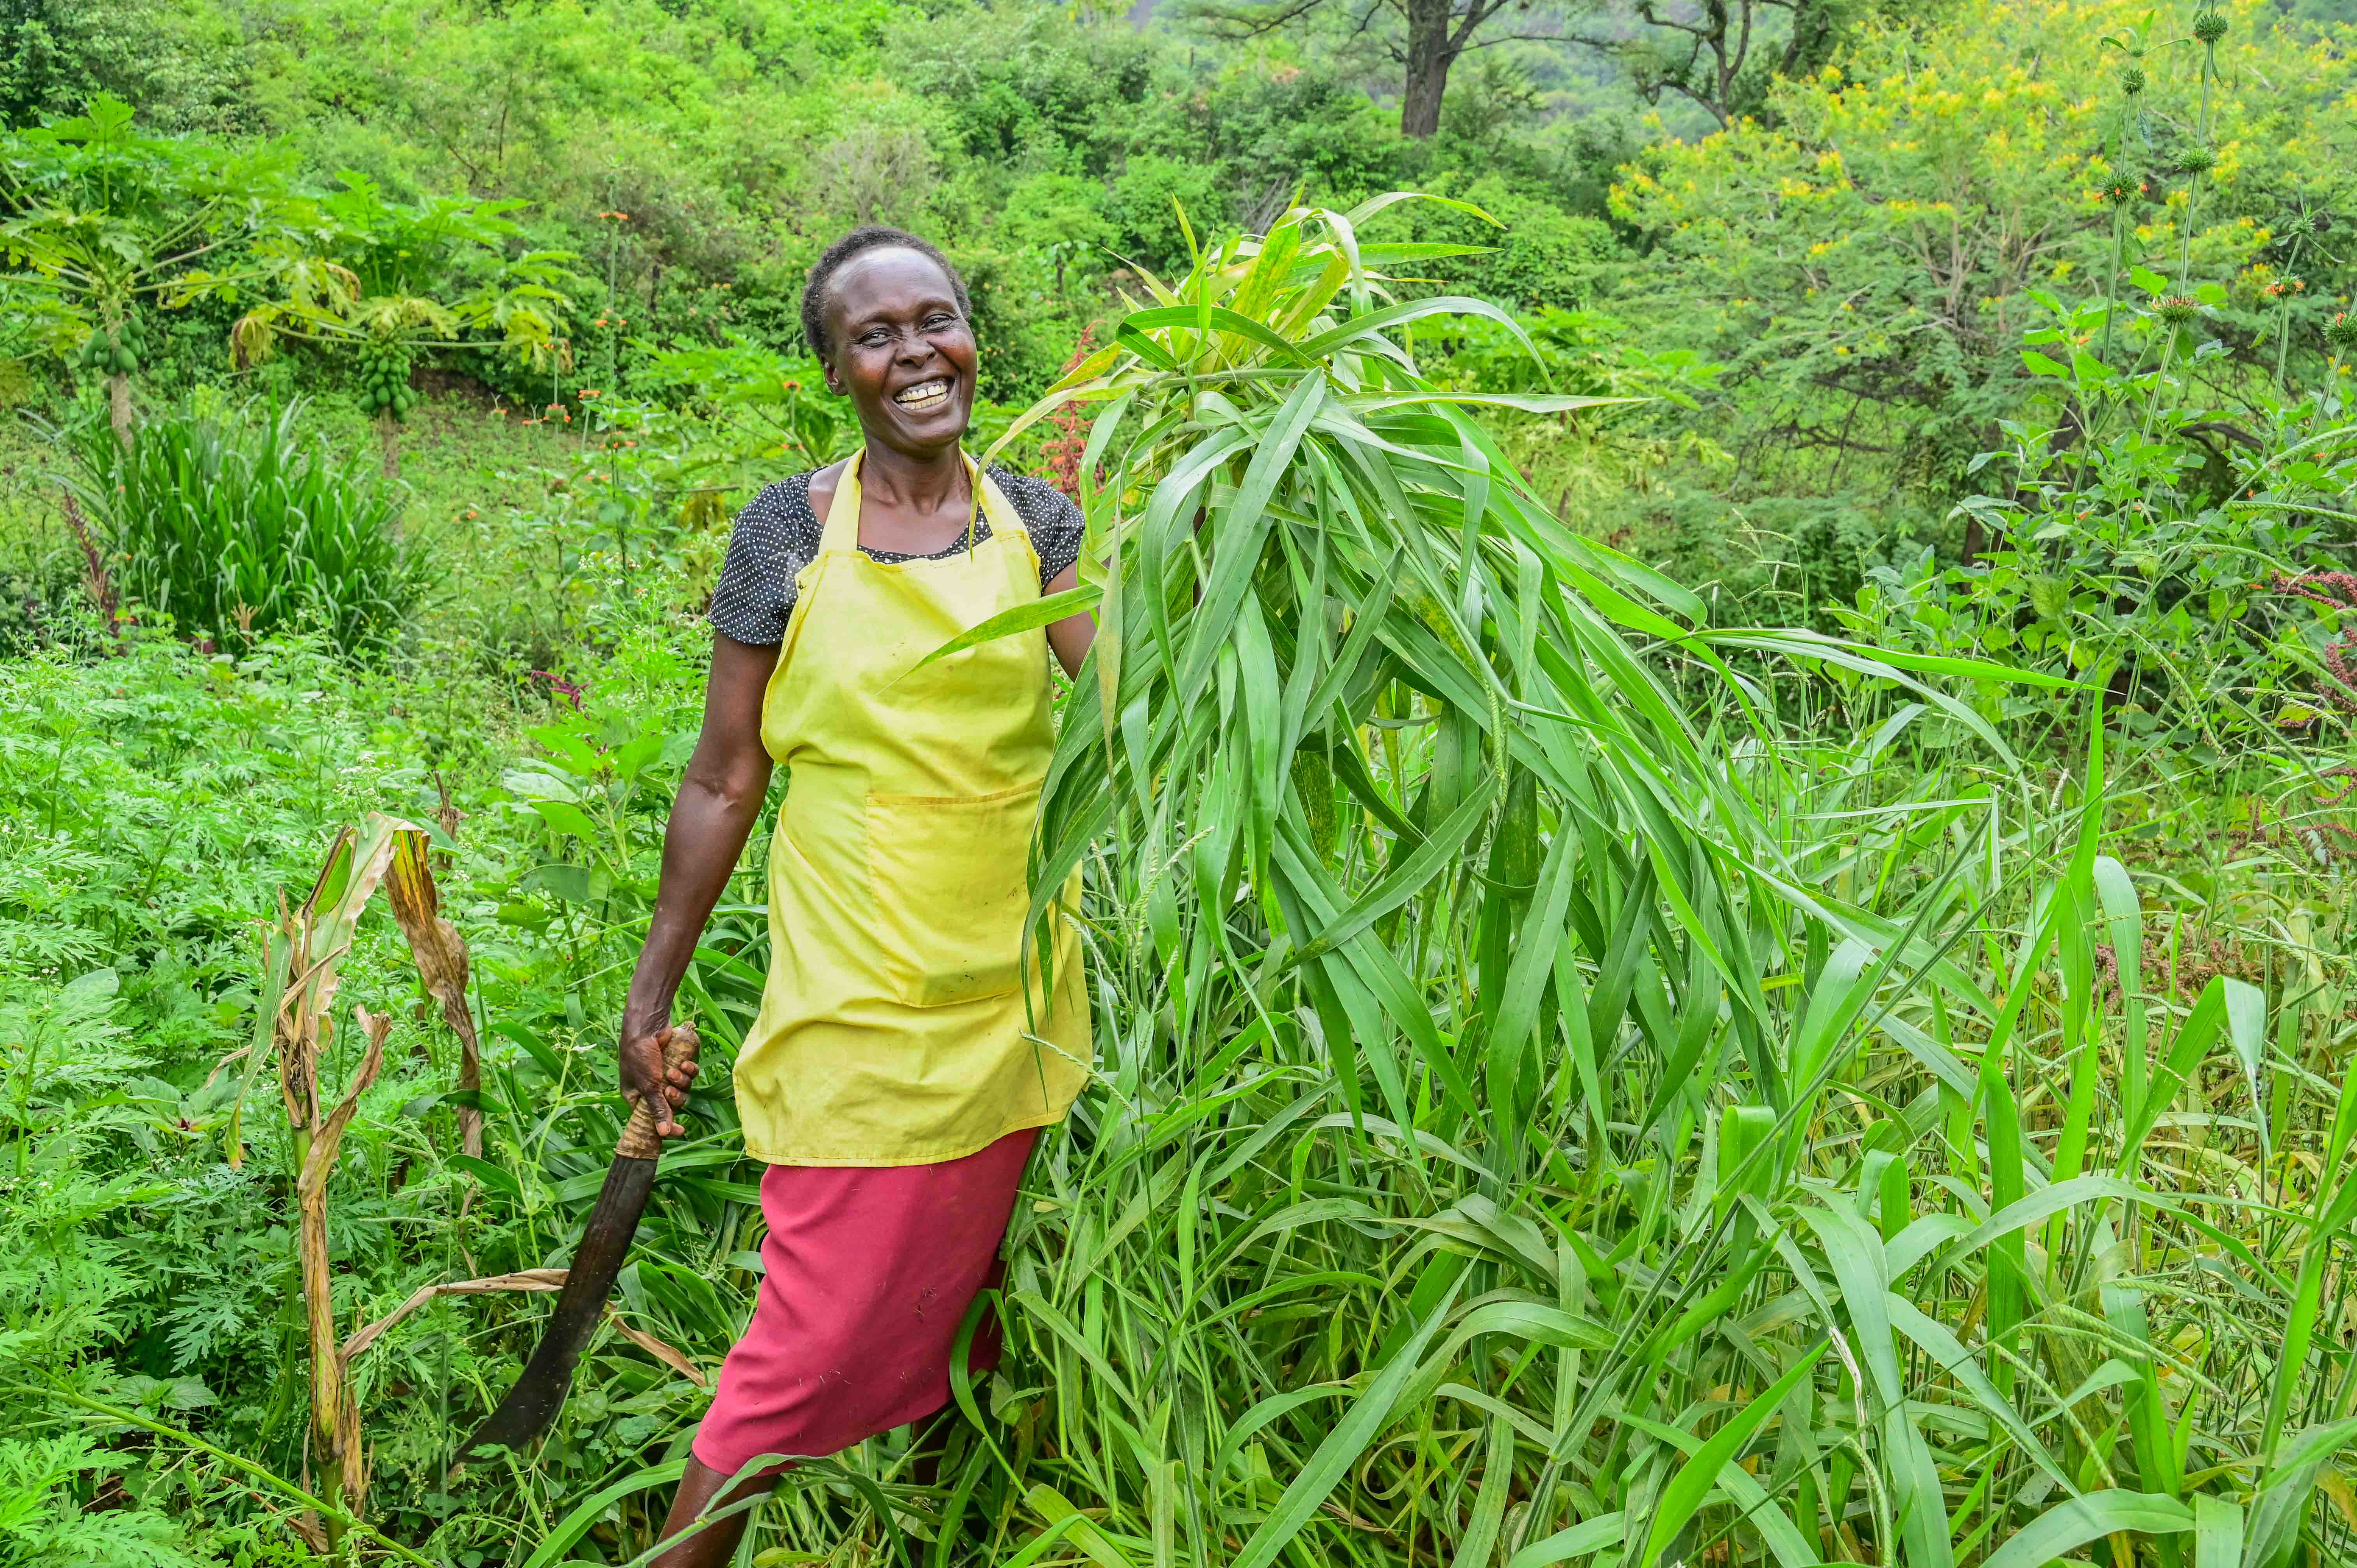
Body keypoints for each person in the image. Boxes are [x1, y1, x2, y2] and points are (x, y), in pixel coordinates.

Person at [614, 225, 1097, 1567]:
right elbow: (724, 778)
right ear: (836, 371)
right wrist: (650, 991)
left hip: (1010, 991)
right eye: (875, 337)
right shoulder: (787, 531)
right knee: (805, 1355)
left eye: (934, 320)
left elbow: (1128, 694)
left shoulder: (1039, 526)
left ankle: (956, 1529)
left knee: (971, 1309)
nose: (916, 354)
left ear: (970, 334)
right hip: (857, 995)